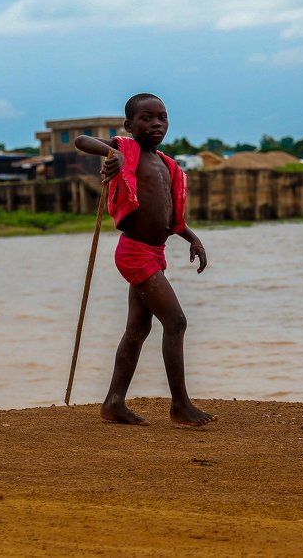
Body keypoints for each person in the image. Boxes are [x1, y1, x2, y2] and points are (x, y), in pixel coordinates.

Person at [75, 93, 216, 427]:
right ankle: (180, 405)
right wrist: (112, 153)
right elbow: (82, 140)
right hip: (135, 252)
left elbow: (167, 213)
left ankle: (113, 402)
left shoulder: (166, 165)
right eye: (147, 118)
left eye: (162, 118)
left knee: (138, 329)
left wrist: (191, 237)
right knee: (176, 321)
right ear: (129, 125)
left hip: (156, 252)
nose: (156, 124)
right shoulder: (128, 151)